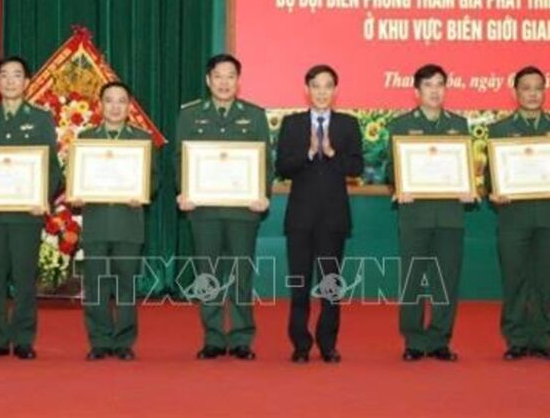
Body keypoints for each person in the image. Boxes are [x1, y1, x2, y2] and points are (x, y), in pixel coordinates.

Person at [0, 56, 62, 361]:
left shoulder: (41, 118)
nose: (10, 81)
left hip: (27, 214)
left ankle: (22, 339)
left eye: (17, 75)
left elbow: (53, 168)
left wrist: (42, 198)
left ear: (27, 82)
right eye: (4, 75)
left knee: (24, 279)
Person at [174, 53, 271, 360]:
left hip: (244, 210)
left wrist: (262, 194)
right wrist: (184, 191)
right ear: (208, 80)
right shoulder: (190, 115)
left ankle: (242, 337)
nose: (224, 82)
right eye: (218, 76)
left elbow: (265, 162)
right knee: (209, 275)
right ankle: (213, 337)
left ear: (238, 81)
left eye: (230, 76)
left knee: (241, 276)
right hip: (204, 211)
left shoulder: (254, 115)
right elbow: (180, 159)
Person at [486, 66, 550, 362]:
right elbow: (491, 177)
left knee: (543, 282)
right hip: (513, 218)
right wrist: (494, 192)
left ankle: (542, 340)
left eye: (538, 88)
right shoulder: (499, 130)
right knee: (514, 280)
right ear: (516, 93)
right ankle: (515, 340)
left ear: (544, 92)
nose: (532, 94)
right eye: (526, 88)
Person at [386, 64, 474, 362]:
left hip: (450, 215)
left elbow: (465, 167)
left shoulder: (459, 124)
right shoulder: (401, 125)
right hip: (415, 214)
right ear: (416, 91)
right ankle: (413, 340)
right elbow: (392, 168)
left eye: (440, 84)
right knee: (413, 279)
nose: (435, 91)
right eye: (428, 85)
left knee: (446, 279)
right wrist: (400, 184)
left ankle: (439, 340)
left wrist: (467, 186)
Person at [275, 64, 363, 363]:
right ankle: (300, 345)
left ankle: (328, 344)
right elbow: (282, 167)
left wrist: (332, 152)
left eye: (327, 86)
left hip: (333, 218)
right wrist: (310, 152)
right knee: (299, 285)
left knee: (330, 286)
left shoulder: (348, 124)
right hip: (300, 218)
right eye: (316, 86)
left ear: (335, 91)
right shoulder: (292, 124)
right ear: (307, 90)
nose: (322, 92)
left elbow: (357, 168)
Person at [73, 81, 157, 361]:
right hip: (96, 222)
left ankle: (123, 341)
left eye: (121, 101)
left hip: (128, 223)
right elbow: (74, 178)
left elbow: (154, 179)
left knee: (126, 286)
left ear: (129, 106)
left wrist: (142, 193)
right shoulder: (85, 139)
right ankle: (99, 340)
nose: (115, 107)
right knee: (96, 284)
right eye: (109, 100)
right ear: (100, 105)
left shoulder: (142, 139)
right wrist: (77, 194)